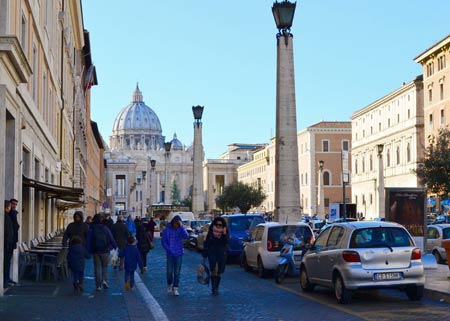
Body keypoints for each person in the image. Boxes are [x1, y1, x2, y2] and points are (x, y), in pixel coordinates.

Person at [86, 214, 117, 291]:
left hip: (95, 251)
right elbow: (111, 238)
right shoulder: (105, 228)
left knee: (97, 268)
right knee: (105, 267)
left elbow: (88, 241)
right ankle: (104, 281)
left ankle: (98, 286)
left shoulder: (92, 229)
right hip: (105, 250)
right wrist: (115, 246)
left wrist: (88, 251)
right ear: (101, 220)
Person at [161, 215, 189, 296]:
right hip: (170, 254)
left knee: (177, 272)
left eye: (178, 224)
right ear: (173, 223)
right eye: (175, 224)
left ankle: (175, 287)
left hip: (179, 253)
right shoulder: (167, 230)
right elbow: (163, 242)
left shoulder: (181, 229)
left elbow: (186, 236)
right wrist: (169, 249)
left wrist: (182, 227)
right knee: (169, 271)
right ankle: (169, 284)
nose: (176, 225)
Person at [202, 217, 229, 295]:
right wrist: (205, 253)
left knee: (220, 271)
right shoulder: (211, 231)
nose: (218, 226)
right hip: (212, 252)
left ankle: (216, 287)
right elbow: (207, 242)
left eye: (220, 225)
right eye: (217, 224)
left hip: (221, 252)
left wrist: (224, 234)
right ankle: (214, 288)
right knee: (213, 270)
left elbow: (226, 241)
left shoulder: (225, 231)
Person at [3, 200, 15, 288]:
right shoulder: (6, 217)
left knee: (7, 263)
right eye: (11, 206)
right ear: (8, 207)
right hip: (7, 245)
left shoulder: (8, 216)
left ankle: (6, 279)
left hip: (8, 244)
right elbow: (7, 232)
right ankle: (5, 281)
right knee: (6, 263)